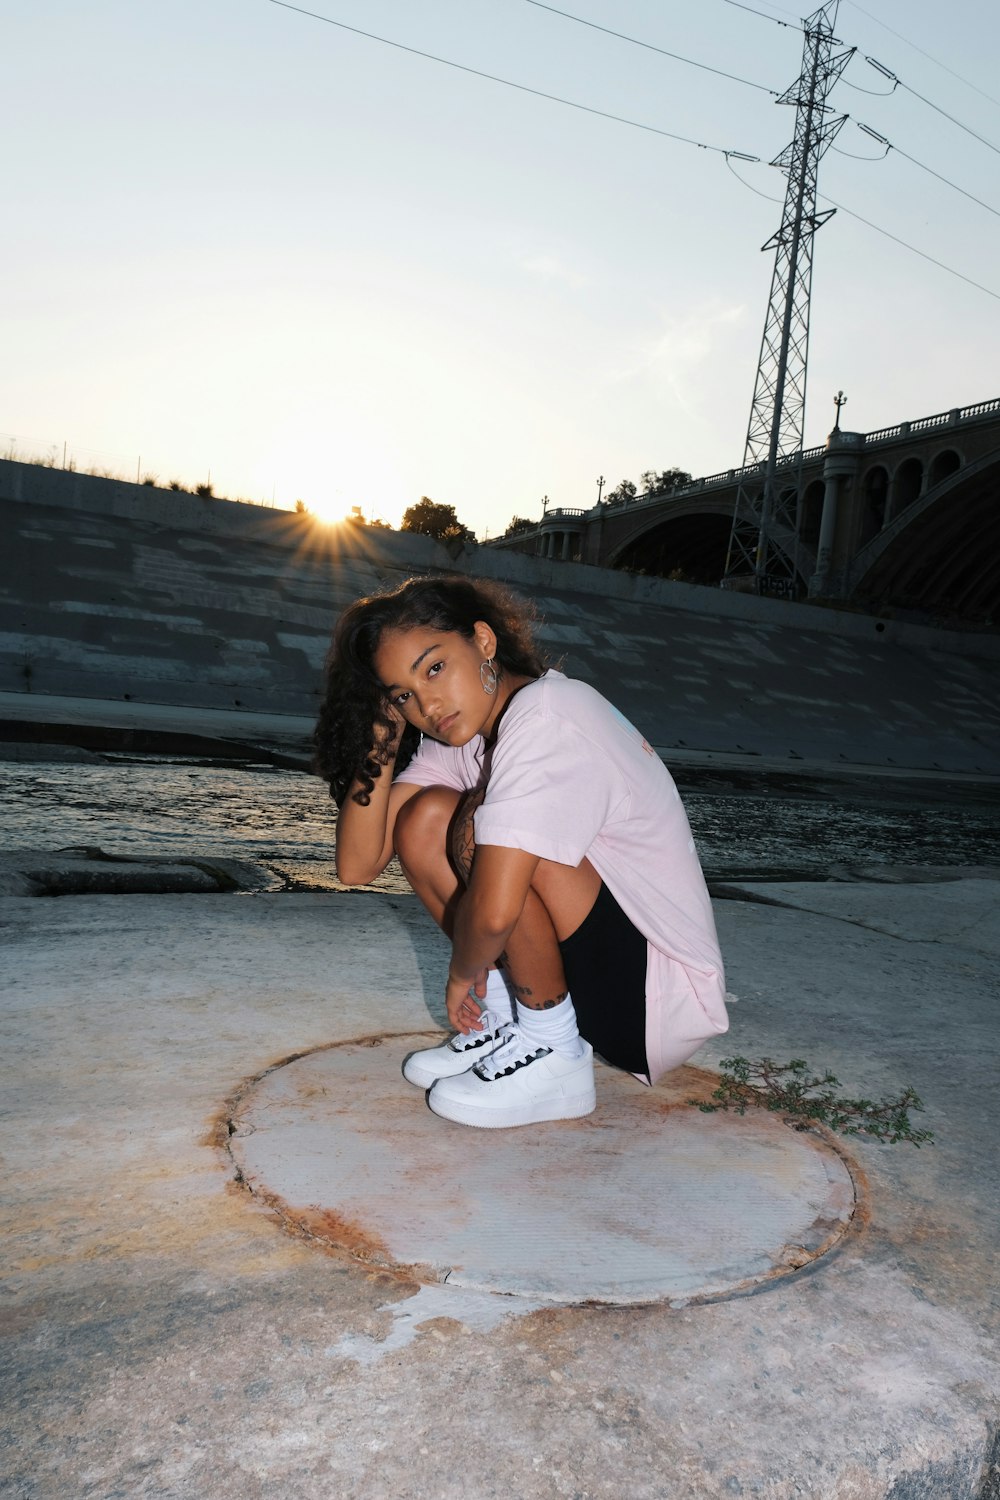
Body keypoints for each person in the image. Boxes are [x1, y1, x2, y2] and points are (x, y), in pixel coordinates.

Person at [313, 575, 728, 1130]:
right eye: (403, 694)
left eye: (434, 668)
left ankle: (554, 1051)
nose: (427, 704)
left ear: (484, 641)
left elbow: (496, 909)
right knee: (424, 819)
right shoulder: (464, 742)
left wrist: (464, 973)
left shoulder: (548, 712)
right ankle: (514, 1025)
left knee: (482, 825)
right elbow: (358, 865)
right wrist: (381, 735)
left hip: (656, 1000)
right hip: (600, 987)